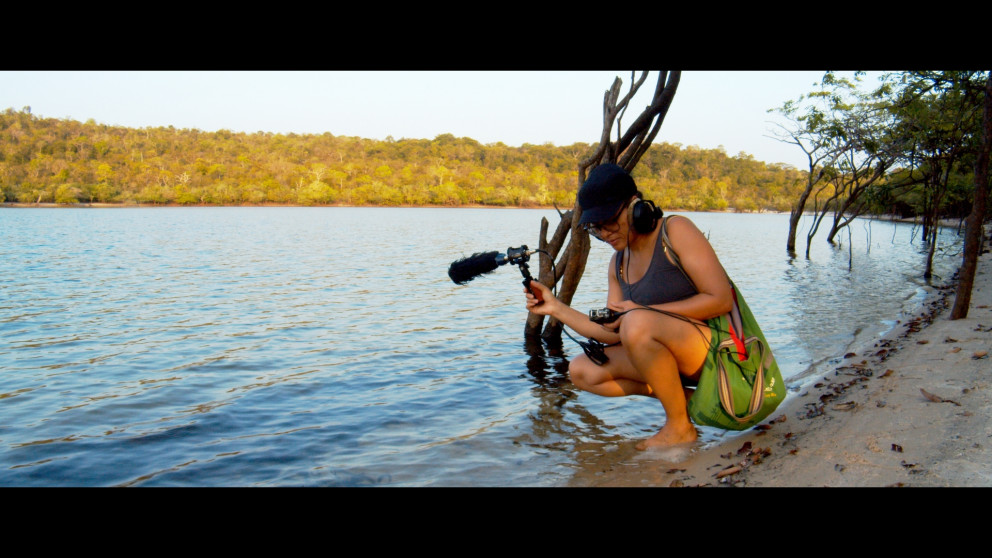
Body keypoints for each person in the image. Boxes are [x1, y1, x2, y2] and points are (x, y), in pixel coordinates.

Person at [524, 163, 734, 449]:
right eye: (596, 227)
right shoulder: (618, 264)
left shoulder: (676, 231)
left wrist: (640, 313)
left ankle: (680, 427)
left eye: (609, 221)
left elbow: (721, 299)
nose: (605, 233)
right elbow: (614, 334)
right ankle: (694, 404)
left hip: (718, 355)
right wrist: (554, 307)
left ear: (636, 207)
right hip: (669, 357)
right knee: (582, 370)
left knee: (636, 322)